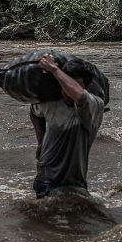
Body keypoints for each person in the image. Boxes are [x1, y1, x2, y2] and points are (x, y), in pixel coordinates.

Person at [29, 55, 105, 198]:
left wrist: (53, 68)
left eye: (72, 87)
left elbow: (78, 95)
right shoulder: (51, 103)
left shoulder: (95, 106)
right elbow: (34, 112)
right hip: (44, 181)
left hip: (75, 184)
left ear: (88, 87)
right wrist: (41, 142)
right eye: (64, 87)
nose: (67, 93)